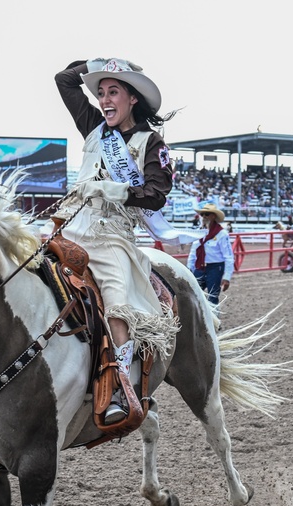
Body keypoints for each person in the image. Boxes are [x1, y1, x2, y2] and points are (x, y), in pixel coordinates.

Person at [55, 57, 177, 425]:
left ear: (132, 99)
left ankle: (120, 384)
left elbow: (156, 194)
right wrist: (98, 62)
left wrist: (109, 188)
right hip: (70, 223)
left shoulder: (149, 141)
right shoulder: (94, 126)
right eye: (101, 92)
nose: (105, 100)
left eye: (114, 92)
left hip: (112, 234)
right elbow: (64, 80)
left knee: (117, 302)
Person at [186, 203, 234, 310]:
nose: (204, 217)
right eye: (202, 214)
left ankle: (215, 322)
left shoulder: (221, 234)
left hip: (215, 268)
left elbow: (228, 256)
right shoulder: (199, 232)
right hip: (199, 267)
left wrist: (227, 277)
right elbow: (193, 253)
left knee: (212, 296)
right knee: (194, 294)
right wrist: (189, 269)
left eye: (207, 214)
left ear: (213, 216)